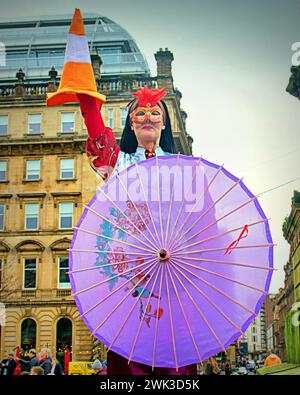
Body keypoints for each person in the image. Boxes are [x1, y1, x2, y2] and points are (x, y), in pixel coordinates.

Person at [77, 86, 196, 375]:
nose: (147, 118)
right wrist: (86, 99)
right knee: (130, 356)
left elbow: (199, 221)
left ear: (164, 123)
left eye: (155, 113)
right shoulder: (118, 162)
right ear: (131, 123)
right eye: (139, 113)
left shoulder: (184, 168)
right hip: (129, 272)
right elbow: (96, 134)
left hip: (173, 270)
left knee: (175, 356)